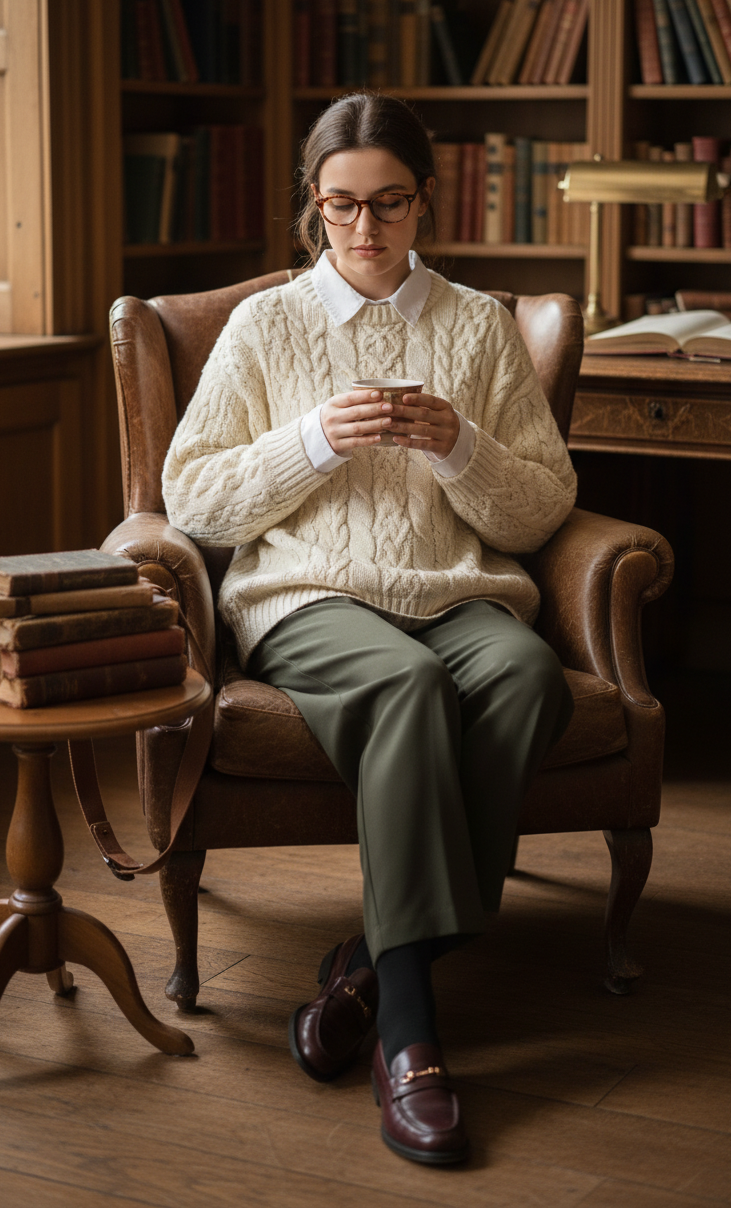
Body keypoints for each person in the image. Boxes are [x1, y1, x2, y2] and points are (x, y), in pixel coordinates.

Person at [162, 92, 576, 1166]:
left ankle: (363, 963)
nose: (363, 227)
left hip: (460, 592)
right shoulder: (266, 325)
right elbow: (193, 500)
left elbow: (540, 510)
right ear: (314, 206)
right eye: (339, 205)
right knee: (407, 689)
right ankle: (409, 1032)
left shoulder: (479, 325)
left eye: (387, 202)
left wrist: (457, 448)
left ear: (424, 201)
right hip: (308, 598)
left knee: (528, 678)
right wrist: (308, 443)